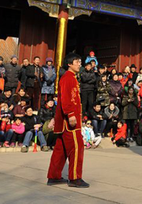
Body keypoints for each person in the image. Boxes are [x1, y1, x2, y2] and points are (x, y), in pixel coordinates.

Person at [47, 53, 89, 188]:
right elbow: (65, 98)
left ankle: (54, 176)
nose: (79, 64)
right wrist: (70, 114)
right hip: (69, 121)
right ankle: (75, 177)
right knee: (77, 147)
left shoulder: (71, 78)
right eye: (77, 62)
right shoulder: (68, 78)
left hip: (64, 120)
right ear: (69, 64)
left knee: (61, 149)